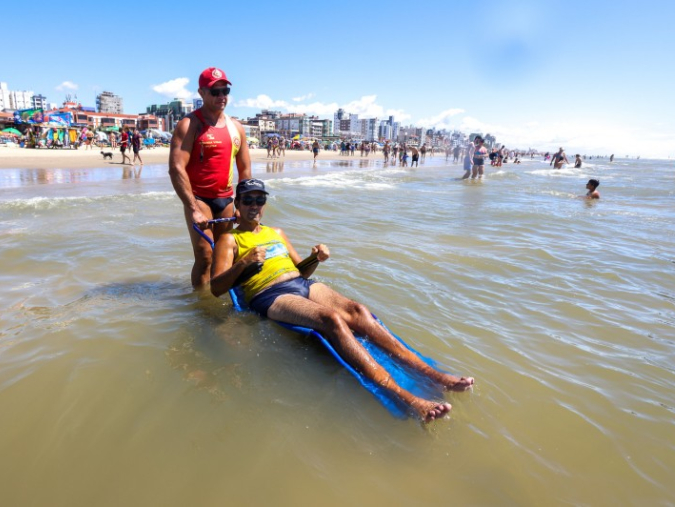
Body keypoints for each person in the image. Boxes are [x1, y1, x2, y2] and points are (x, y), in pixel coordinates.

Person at [210, 179, 474, 422]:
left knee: (358, 312)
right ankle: (405, 396)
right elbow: (217, 288)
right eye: (248, 200)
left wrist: (316, 258)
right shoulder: (229, 239)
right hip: (269, 295)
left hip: (300, 283)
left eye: (260, 200)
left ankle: (434, 376)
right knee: (332, 320)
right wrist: (243, 262)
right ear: (238, 203)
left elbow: (300, 270)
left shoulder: (276, 232)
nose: (254, 206)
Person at [169, 67, 251, 287]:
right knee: (205, 257)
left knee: (225, 256)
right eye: (215, 92)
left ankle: (218, 299)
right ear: (201, 93)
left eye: (225, 91)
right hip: (199, 198)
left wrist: (242, 206)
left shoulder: (237, 128)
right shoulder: (190, 125)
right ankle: (199, 306)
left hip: (226, 199)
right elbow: (177, 168)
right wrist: (193, 208)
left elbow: (244, 170)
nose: (221, 96)